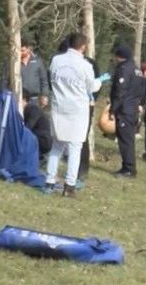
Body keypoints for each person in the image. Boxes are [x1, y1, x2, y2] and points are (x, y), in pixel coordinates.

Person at [46, 33, 110, 197]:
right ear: (83, 47)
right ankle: (69, 186)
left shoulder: (56, 61)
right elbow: (91, 88)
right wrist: (101, 80)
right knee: (75, 148)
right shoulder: (85, 66)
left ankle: (49, 183)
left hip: (59, 107)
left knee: (56, 146)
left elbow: (51, 80)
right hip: (77, 111)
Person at [109, 45, 145, 178]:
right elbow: (142, 90)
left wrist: (113, 110)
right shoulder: (137, 70)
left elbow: (120, 91)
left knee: (125, 141)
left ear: (119, 56)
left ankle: (129, 169)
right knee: (128, 139)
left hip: (125, 109)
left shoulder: (124, 69)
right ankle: (127, 167)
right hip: (133, 108)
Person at [0, 39, 49, 107]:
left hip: (35, 101)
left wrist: (45, 95)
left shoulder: (37, 61)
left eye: (23, 51)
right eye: (19, 51)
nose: (20, 53)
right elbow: (4, 80)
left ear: (28, 49)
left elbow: (44, 80)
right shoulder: (11, 62)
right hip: (17, 100)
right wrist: (4, 96)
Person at [22, 90, 52, 166]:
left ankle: (40, 158)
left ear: (24, 100)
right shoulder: (25, 110)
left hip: (43, 140)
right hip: (36, 137)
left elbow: (28, 127)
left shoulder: (33, 109)